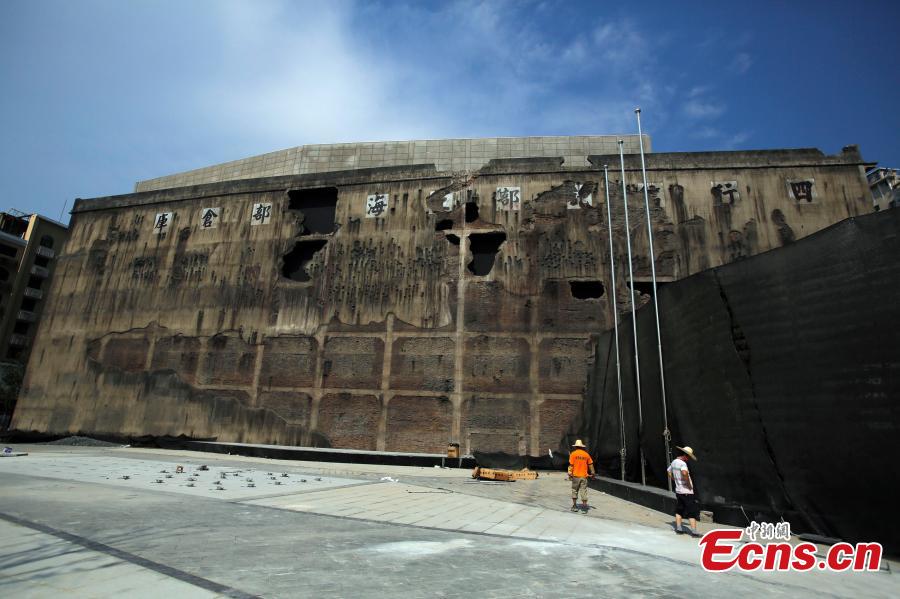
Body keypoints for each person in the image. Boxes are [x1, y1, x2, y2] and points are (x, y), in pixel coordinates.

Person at [667, 445, 700, 536]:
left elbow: (668, 471)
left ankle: (679, 528)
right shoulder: (683, 464)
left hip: (678, 491)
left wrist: (674, 479)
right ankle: (694, 532)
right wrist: (688, 484)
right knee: (691, 512)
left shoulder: (674, 462)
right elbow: (684, 473)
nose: (688, 459)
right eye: (688, 457)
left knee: (679, 510)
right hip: (687, 492)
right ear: (685, 455)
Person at [568, 439, 595, 513]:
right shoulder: (586, 454)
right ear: (582, 447)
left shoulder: (573, 454)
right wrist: (593, 473)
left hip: (575, 476)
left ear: (575, 446)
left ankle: (574, 506)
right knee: (583, 491)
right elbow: (590, 464)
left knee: (574, 490)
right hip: (584, 476)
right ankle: (584, 508)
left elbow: (571, 465)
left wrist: (569, 474)